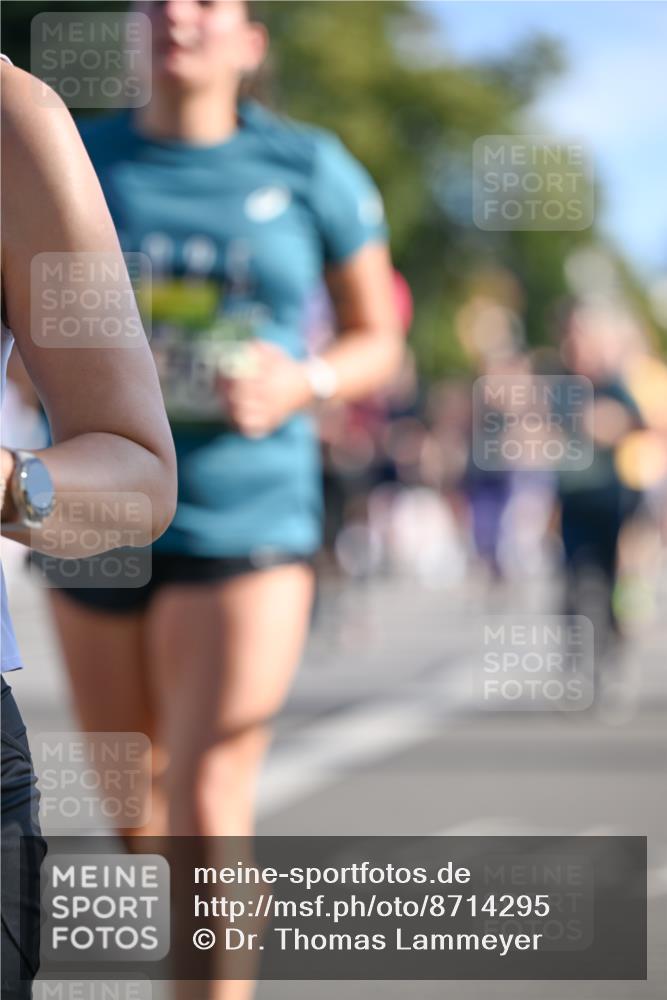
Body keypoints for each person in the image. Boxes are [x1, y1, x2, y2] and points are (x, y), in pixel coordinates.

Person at [40, 4, 401, 991]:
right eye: (157, 0)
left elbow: (378, 337)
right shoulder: (74, 157)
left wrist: (302, 381)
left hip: (247, 510)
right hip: (99, 514)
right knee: (137, 812)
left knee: (207, 801)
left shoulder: (308, 166)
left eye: (207, 1)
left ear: (250, 41)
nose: (177, 15)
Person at [0, 57, 177, 999]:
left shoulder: (11, 120)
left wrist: (5, 482)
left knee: (205, 794)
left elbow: (138, 477)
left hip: (256, 521)